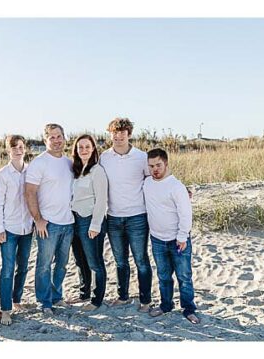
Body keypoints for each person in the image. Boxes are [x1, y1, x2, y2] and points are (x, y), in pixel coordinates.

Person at [100, 117, 154, 312]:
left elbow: (155, 179)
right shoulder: (104, 157)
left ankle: (146, 300)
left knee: (141, 260)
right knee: (120, 261)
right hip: (113, 217)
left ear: (129, 134)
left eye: (122, 132)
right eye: (115, 132)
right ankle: (123, 297)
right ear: (110, 134)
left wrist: (181, 190)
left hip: (137, 216)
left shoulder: (141, 157)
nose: (118, 136)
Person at [143, 148, 199, 324]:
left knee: (184, 276)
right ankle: (166, 305)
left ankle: (189, 309)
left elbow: (185, 214)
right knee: (164, 276)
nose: (155, 169)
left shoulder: (176, 186)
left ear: (166, 163)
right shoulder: (146, 183)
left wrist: (182, 237)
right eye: (151, 166)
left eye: (158, 165)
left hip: (178, 240)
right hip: (157, 239)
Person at [25, 123, 75, 315]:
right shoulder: (39, 162)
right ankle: (44, 302)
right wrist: (38, 219)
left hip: (68, 222)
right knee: (44, 264)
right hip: (48, 223)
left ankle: (56, 296)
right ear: (45, 140)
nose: (56, 140)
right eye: (51, 137)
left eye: (59, 136)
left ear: (64, 138)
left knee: (62, 264)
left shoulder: (68, 162)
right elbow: (29, 192)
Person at [0, 135, 35, 325]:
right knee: (8, 269)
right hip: (9, 229)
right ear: (8, 150)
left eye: (21, 146)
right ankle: (6, 309)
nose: (18, 150)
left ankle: (16, 299)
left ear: (24, 149)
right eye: (14, 147)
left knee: (23, 267)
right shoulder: (2, 175)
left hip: (27, 228)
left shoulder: (31, 171)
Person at [69, 134, 109, 311]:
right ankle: (84, 293)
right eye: (80, 147)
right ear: (76, 151)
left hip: (90, 219)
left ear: (93, 149)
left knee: (95, 262)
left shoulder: (97, 170)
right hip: (74, 219)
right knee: (80, 261)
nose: (84, 150)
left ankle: (96, 299)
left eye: (87, 146)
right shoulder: (76, 171)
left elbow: (102, 199)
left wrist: (95, 225)